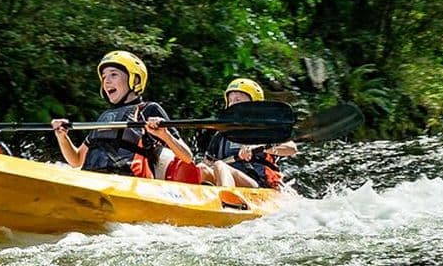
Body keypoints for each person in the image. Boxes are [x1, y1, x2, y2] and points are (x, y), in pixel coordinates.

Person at [51, 50, 196, 180]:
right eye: (104, 77)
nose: (106, 81)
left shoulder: (149, 109)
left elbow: (187, 157)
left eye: (113, 74)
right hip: (95, 180)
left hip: (131, 183)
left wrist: (165, 135)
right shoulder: (106, 117)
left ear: (135, 79)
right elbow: (77, 160)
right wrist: (62, 136)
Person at [198, 78, 297, 189]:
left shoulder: (265, 130)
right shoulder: (222, 134)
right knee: (201, 168)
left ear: (253, 104)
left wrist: (260, 147)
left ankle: (228, 197)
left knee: (220, 165)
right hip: (229, 180)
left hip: (259, 185)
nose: (232, 104)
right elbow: (207, 163)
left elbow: (292, 148)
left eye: (238, 100)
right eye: (230, 101)